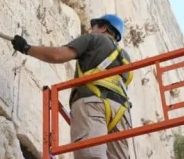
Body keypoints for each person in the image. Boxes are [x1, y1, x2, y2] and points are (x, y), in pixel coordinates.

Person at [11, 14, 133, 159]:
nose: (90, 30)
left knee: (91, 156)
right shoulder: (126, 59)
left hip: (93, 103)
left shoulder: (94, 39)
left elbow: (58, 55)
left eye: (93, 27)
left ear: (104, 28)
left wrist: (26, 48)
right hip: (121, 113)